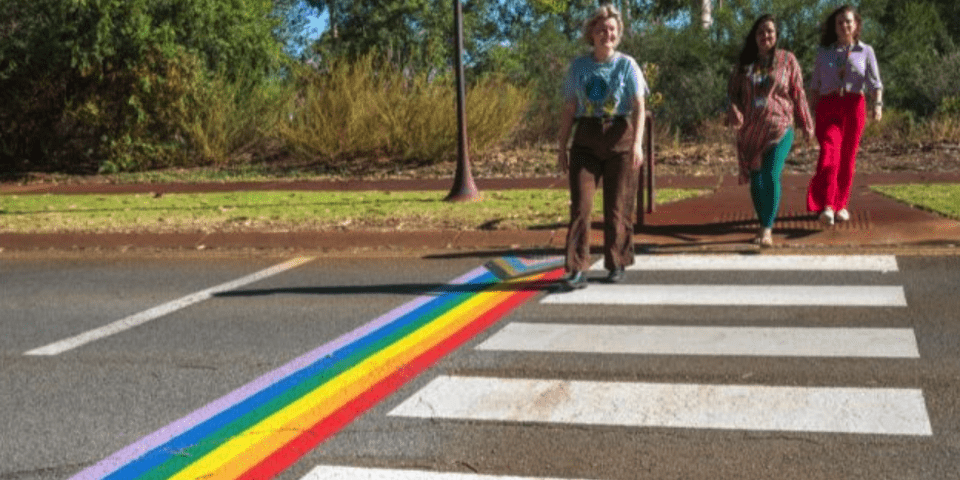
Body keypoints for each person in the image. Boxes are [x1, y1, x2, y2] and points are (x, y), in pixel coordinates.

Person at [557, 5, 647, 290]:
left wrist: (637, 145)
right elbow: (569, 108)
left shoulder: (627, 65)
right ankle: (576, 267)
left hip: (619, 135)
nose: (607, 34)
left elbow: (639, 106)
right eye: (601, 29)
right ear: (591, 34)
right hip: (586, 136)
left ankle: (617, 261)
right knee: (581, 207)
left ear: (618, 34)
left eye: (612, 30)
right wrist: (561, 147)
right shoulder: (579, 67)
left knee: (617, 206)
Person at [727, 15, 814, 247]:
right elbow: (731, 94)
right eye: (761, 32)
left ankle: (766, 228)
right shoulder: (744, 65)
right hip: (750, 131)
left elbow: (798, 93)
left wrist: (806, 123)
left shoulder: (787, 60)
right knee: (756, 179)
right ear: (754, 36)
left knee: (771, 174)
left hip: (779, 128)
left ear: (776, 35)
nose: (766, 36)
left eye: (770, 32)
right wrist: (733, 110)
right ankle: (762, 221)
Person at [807, 5, 883, 225]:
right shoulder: (824, 52)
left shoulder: (865, 51)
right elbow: (814, 85)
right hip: (828, 105)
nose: (844, 26)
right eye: (840, 22)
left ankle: (841, 205)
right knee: (829, 154)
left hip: (853, 105)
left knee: (848, 159)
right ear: (835, 26)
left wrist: (877, 105)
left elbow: (875, 83)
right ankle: (828, 205)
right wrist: (810, 115)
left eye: (848, 21)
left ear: (856, 24)